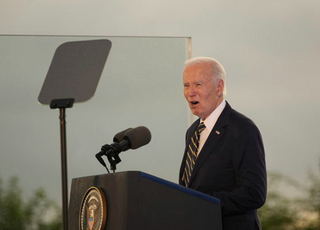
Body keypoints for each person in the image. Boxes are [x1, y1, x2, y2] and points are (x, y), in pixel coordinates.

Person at [179, 57, 267, 230]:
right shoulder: (193, 132)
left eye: (198, 84)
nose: (190, 92)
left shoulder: (242, 128)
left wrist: (200, 202)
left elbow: (254, 193)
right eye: (186, 85)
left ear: (219, 87)